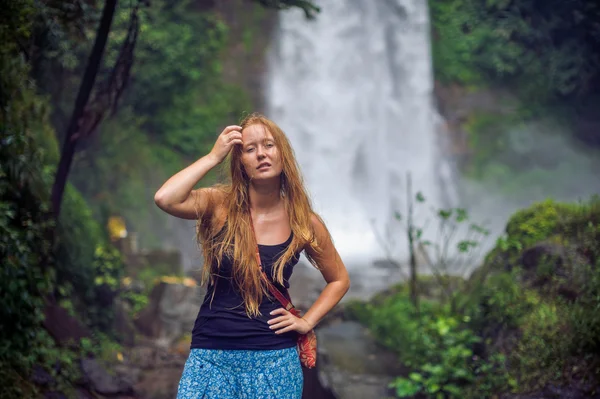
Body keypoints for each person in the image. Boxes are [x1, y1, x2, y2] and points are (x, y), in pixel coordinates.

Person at [154, 113, 350, 398]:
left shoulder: (304, 222)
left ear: (283, 154)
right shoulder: (219, 205)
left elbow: (339, 279)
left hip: (274, 360)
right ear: (240, 162)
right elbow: (165, 198)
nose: (261, 154)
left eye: (269, 145)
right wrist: (212, 157)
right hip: (211, 356)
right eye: (249, 149)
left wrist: (306, 321)